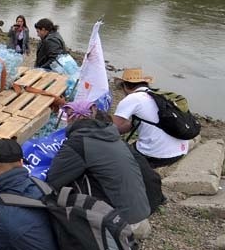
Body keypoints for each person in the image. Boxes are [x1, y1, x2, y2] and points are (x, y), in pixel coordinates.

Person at [46, 100, 152, 239]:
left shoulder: (80, 141)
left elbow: (53, 180)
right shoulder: (112, 136)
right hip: (142, 214)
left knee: (69, 185)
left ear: (72, 119)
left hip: (121, 224)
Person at [112, 68, 190, 168]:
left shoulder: (132, 98)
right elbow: (137, 124)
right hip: (180, 151)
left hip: (156, 156)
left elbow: (112, 129)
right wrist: (132, 124)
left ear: (125, 86)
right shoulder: (157, 96)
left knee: (116, 156)